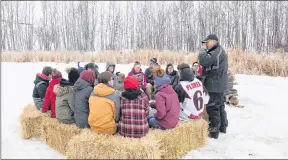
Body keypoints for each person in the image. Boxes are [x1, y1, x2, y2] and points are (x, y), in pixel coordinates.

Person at [198, 34, 228, 139]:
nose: (205, 44)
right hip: (218, 84)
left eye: (207, 42)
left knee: (213, 107)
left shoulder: (217, 52)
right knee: (220, 106)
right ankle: (222, 128)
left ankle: (214, 132)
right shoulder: (218, 51)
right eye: (205, 43)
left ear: (214, 41)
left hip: (214, 85)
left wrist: (202, 50)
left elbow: (204, 61)